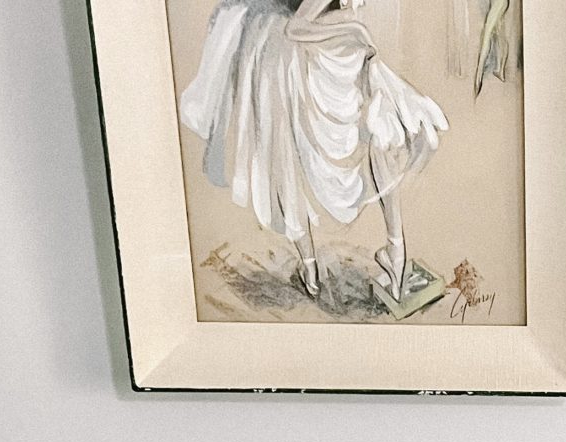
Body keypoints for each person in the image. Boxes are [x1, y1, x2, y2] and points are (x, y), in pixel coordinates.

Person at [179, 0, 447, 301]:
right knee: (287, 152)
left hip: (319, 44)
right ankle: (331, 263)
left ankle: (378, 256)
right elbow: (297, 27)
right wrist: (354, 28)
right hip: (291, 47)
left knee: (378, 124)